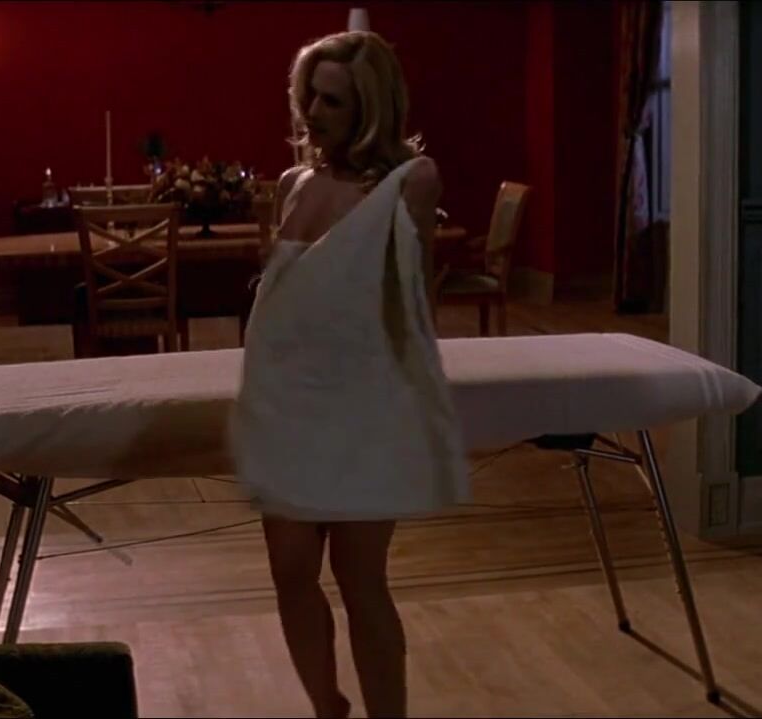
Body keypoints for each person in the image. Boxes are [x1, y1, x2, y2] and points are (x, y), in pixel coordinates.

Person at [244, 30, 448, 719]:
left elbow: (412, 302)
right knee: (290, 571)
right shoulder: (292, 183)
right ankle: (327, 707)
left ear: (370, 106)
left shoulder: (410, 181)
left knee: (361, 579)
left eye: (333, 100)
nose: (314, 112)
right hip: (287, 400)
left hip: (364, 399)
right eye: (310, 96)